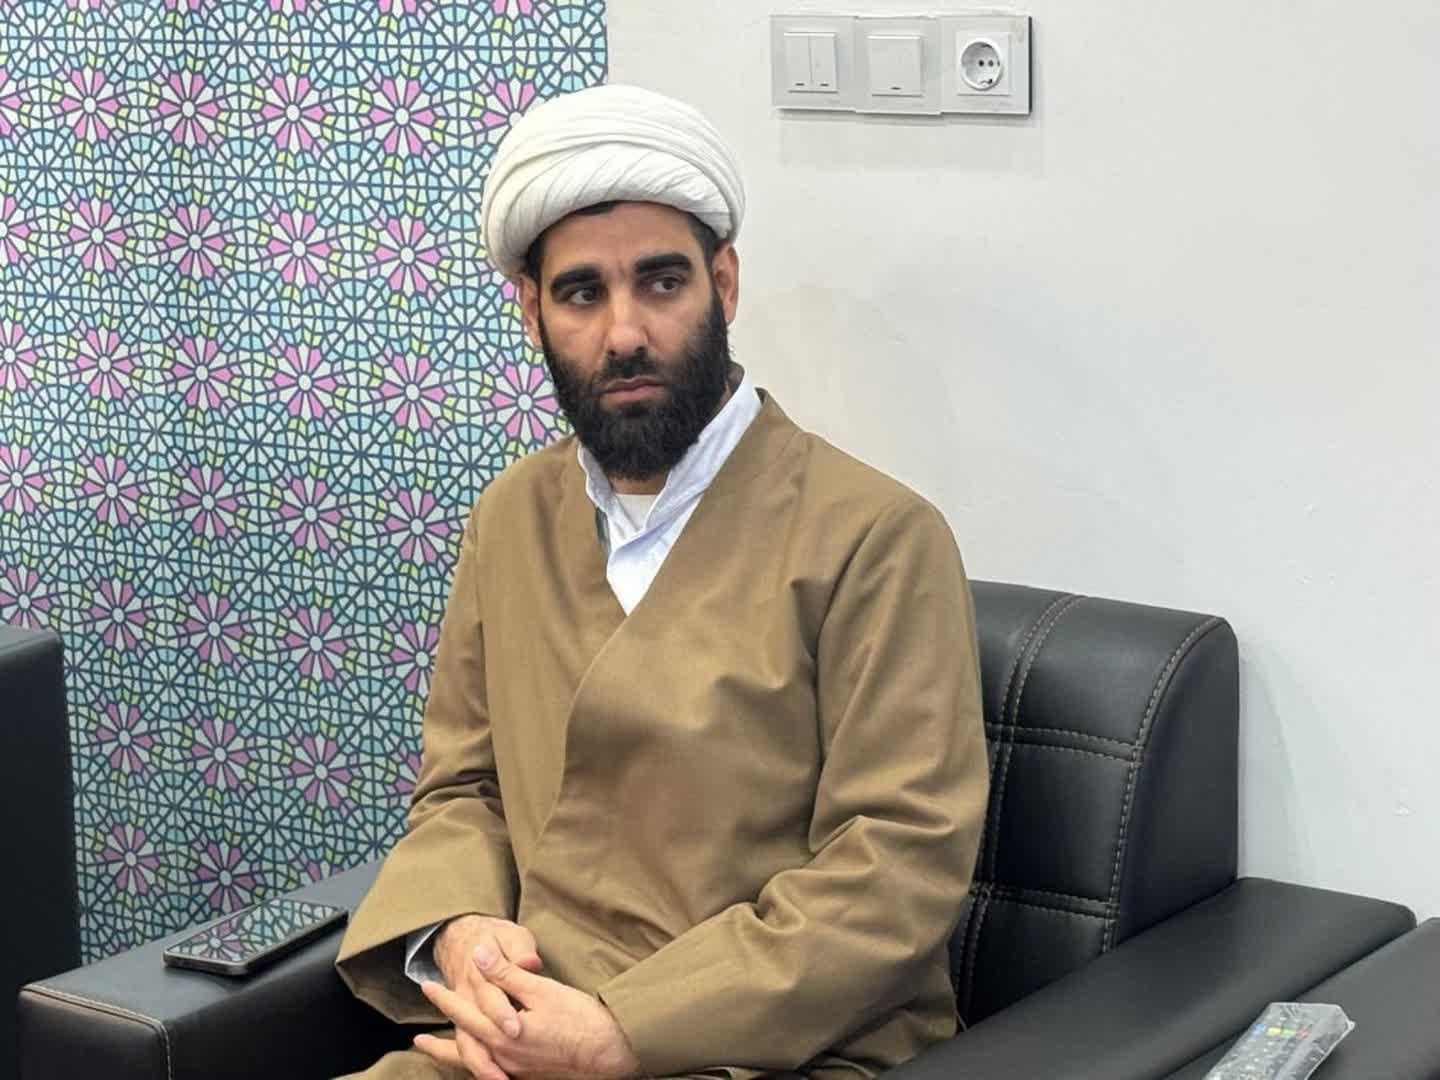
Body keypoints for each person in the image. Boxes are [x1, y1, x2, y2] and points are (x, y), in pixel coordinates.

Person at [334, 83, 989, 1080]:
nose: (625, 333)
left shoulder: (877, 539)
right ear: (532, 312)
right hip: (526, 1041)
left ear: (723, 284)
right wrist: (461, 928)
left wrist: (624, 1031)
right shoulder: (512, 517)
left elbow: (895, 869)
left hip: (775, 1053)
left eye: (662, 283)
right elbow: (465, 788)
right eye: (582, 294)